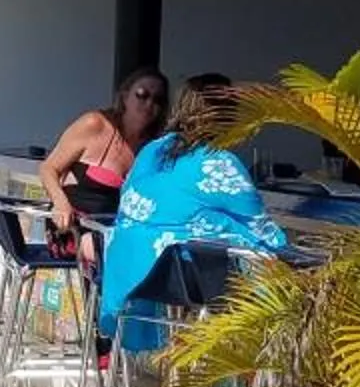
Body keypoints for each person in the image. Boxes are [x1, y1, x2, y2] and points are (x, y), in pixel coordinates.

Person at [95, 73, 289, 357]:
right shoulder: (219, 163)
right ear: (225, 118)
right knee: (272, 266)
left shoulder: (152, 151)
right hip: (189, 280)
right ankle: (274, 378)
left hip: (134, 274)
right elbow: (260, 226)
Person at [38, 67, 170, 263]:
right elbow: (48, 168)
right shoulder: (95, 125)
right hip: (72, 228)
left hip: (116, 231)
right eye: (142, 95)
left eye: (157, 100)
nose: (149, 103)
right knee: (126, 256)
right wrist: (60, 203)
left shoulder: (153, 148)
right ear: (125, 97)